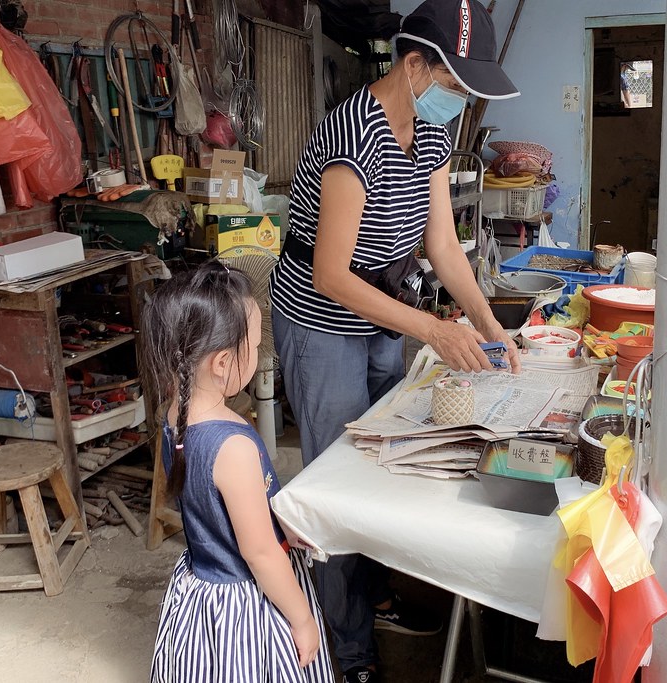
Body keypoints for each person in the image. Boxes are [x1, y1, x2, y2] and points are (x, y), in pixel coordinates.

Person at [269, 1, 520, 680]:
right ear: (414, 66)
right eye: (455, 84)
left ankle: (372, 593)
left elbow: (441, 243)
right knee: (339, 481)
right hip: (323, 318)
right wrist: (436, 330)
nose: (460, 100)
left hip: (385, 311)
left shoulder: (432, 135)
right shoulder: (354, 132)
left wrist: (490, 323)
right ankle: (346, 649)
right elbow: (329, 275)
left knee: (386, 463)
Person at [143, 261, 333, 683]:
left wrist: (280, 522)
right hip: (246, 601)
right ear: (223, 362)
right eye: (257, 340)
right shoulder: (234, 446)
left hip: (201, 590)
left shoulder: (173, 418)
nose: (264, 347)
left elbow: (221, 511)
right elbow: (260, 554)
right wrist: (302, 619)